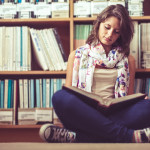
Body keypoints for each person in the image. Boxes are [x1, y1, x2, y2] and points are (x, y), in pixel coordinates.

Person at [39, 4, 150, 143]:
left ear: (121, 34)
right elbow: (69, 94)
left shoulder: (128, 60)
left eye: (116, 31)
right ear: (98, 25)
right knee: (60, 97)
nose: (110, 35)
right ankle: (128, 136)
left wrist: (138, 101)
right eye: (107, 27)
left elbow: (127, 99)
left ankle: (77, 137)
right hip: (85, 114)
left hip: (116, 113)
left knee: (147, 106)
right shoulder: (77, 55)